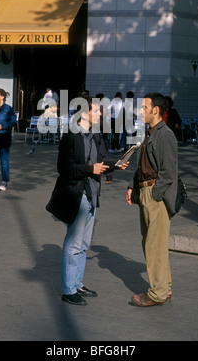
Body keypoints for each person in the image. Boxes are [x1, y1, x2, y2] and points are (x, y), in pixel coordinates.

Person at [46, 95, 128, 306]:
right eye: (97, 110)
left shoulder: (93, 134)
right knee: (73, 243)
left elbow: (98, 161)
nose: (101, 113)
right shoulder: (72, 136)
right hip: (77, 193)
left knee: (83, 243)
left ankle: (77, 283)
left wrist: (115, 166)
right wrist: (89, 169)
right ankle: (68, 289)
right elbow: (64, 169)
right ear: (84, 113)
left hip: (92, 193)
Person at [126, 93, 178, 307]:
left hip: (156, 195)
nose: (141, 110)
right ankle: (163, 288)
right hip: (146, 191)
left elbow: (168, 171)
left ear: (155, 110)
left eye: (144, 106)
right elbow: (143, 164)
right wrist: (132, 186)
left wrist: (155, 195)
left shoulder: (164, 134)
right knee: (153, 244)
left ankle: (156, 294)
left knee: (154, 246)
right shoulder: (150, 133)